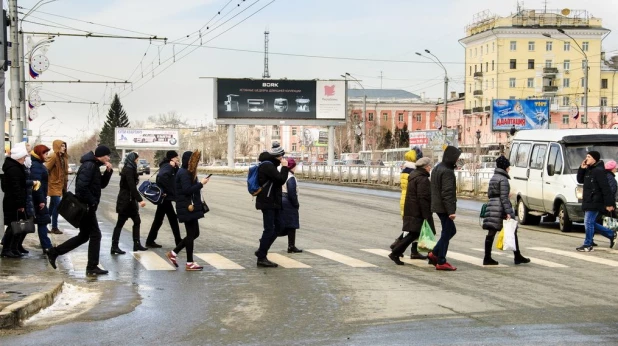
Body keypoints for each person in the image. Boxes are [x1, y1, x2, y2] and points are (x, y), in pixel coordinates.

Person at [47, 145, 114, 275]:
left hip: (88, 206)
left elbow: (101, 185)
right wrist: (92, 202)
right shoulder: (89, 166)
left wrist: (108, 172)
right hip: (86, 207)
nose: (108, 158)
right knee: (95, 235)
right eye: (107, 155)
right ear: (101, 155)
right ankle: (92, 267)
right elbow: (81, 188)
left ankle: (54, 252)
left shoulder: (93, 165)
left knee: (84, 236)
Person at [166, 150, 209, 271]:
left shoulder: (187, 172)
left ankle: (173, 253)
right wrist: (201, 184)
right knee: (191, 235)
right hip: (186, 207)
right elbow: (187, 190)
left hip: (189, 206)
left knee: (195, 233)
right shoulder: (184, 173)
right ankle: (189, 263)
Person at [482, 156, 530, 265]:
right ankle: (517, 256)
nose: (509, 169)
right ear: (504, 167)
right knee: (512, 229)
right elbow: (504, 198)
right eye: (508, 167)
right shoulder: (503, 179)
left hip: (492, 205)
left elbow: (490, 194)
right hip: (500, 208)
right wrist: (509, 212)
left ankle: (487, 257)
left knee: (492, 232)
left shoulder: (494, 177)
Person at [389, 157, 435, 265]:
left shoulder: (414, 176)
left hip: (412, 209)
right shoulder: (422, 179)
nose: (430, 169)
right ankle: (434, 256)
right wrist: (426, 215)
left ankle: (396, 252)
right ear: (425, 167)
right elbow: (423, 198)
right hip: (418, 212)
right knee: (425, 233)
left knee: (414, 234)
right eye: (429, 167)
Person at [254, 142, 289, 268]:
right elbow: (280, 180)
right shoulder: (267, 166)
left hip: (273, 202)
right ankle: (262, 256)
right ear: (277, 156)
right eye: (281, 157)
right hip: (268, 202)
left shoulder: (270, 165)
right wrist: (285, 167)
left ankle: (262, 249)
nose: (283, 159)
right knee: (269, 229)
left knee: (279, 226)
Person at [428, 145, 462, 271]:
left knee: (451, 231)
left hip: (437, 205)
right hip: (444, 207)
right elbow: (447, 193)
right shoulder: (447, 171)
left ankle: (434, 253)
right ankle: (441, 260)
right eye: (456, 158)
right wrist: (451, 211)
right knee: (447, 232)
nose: (457, 160)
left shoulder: (438, 168)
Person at [576, 151, 616, 252]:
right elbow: (580, 180)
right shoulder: (588, 170)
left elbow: (605, 188)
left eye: (588, 157)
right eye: (586, 157)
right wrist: (582, 168)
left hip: (596, 201)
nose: (586, 158)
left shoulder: (599, 171)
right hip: (588, 200)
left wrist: (609, 203)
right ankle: (611, 234)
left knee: (588, 222)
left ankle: (588, 244)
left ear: (594, 159)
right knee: (590, 222)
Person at [111, 152, 148, 255]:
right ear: (132, 160)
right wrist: (140, 200)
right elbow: (132, 187)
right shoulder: (128, 170)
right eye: (136, 159)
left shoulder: (130, 169)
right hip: (125, 201)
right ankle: (114, 246)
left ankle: (136, 243)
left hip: (130, 201)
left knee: (137, 221)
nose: (137, 161)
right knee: (120, 223)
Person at [146, 150, 182, 247]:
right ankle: (178, 241)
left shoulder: (168, 165)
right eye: (176, 157)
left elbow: (177, 174)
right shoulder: (167, 166)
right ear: (172, 158)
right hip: (165, 198)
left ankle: (150, 240)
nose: (177, 158)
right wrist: (166, 191)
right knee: (173, 219)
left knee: (158, 219)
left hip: (165, 198)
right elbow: (161, 177)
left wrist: (175, 166)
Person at [1, 145, 29, 258]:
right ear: (18, 157)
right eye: (23, 157)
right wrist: (20, 204)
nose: (25, 159)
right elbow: (16, 188)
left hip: (12, 201)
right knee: (13, 227)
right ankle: (6, 250)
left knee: (15, 226)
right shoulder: (14, 169)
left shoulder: (15, 167)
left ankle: (12, 248)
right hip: (13, 203)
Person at [30, 144, 53, 254]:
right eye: (45, 153)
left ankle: (9, 243)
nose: (47, 156)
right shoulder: (36, 166)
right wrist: (41, 201)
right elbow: (36, 185)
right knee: (43, 221)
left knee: (34, 221)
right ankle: (46, 246)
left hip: (39, 198)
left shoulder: (38, 164)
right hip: (38, 199)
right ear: (39, 154)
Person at [45, 140, 69, 235]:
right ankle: (54, 227)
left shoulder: (63, 158)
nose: (64, 148)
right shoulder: (53, 156)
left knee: (52, 207)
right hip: (54, 185)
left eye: (64, 146)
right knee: (58, 206)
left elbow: (64, 172)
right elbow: (46, 169)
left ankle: (44, 224)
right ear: (57, 146)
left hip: (60, 186)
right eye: (62, 146)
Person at [279, 157, 302, 253]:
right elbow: (292, 192)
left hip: (281, 199)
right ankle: (291, 246)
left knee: (281, 223)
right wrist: (296, 204)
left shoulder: (282, 175)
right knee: (291, 225)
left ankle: (266, 240)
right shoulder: (291, 178)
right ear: (292, 167)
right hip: (288, 202)